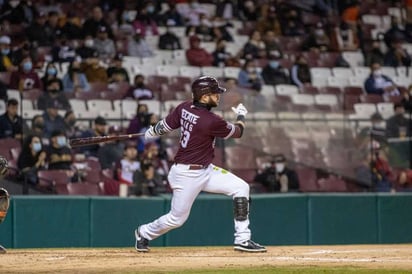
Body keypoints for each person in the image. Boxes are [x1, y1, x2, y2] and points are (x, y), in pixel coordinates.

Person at [134, 76, 266, 253]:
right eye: (214, 94)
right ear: (204, 97)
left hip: (205, 169)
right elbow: (238, 131)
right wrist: (241, 115)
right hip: (186, 174)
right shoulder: (210, 120)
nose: (218, 97)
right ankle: (144, 232)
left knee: (241, 187)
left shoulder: (184, 107)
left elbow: (164, 126)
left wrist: (152, 131)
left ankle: (242, 239)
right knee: (176, 219)